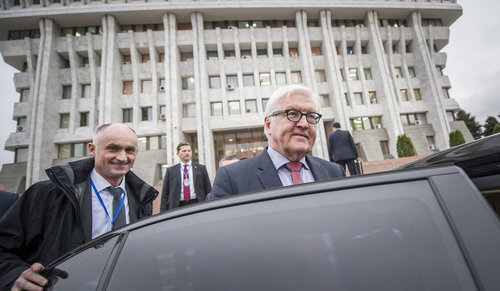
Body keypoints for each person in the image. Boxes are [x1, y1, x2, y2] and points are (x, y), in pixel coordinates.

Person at [0, 123, 158, 290]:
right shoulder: (45, 195)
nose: (122, 157)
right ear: (92, 149)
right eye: (113, 148)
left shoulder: (142, 198)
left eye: (129, 150)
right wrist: (16, 276)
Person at [209, 85, 345, 200]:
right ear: (268, 125)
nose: (304, 124)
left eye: (311, 116)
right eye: (293, 114)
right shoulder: (232, 178)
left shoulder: (334, 173)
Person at [160, 142, 211, 210]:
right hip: (177, 206)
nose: (187, 153)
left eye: (189, 151)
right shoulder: (171, 171)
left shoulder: (201, 168)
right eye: (184, 151)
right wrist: (163, 212)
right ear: (178, 154)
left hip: (197, 203)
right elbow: (165, 194)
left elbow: (208, 189)